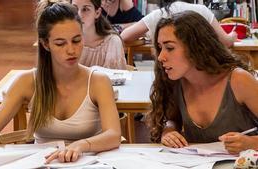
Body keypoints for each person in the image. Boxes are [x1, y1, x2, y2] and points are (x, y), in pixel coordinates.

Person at [0, 1, 121, 163]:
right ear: (45, 44)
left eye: (77, 40)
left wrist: (81, 145)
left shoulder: (98, 81)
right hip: (43, 163)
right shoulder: (26, 81)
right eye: (60, 43)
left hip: (89, 162)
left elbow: (113, 135)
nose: (71, 50)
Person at [148, 11, 258, 155]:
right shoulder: (176, 81)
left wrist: (252, 143)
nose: (161, 57)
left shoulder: (239, 80)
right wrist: (169, 131)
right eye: (160, 48)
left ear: (196, 47)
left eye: (170, 48)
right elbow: (172, 119)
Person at [120, 0, 237, 48]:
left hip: (167, 76)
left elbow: (125, 36)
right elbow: (225, 42)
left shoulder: (158, 14)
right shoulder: (202, 10)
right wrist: (233, 35)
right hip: (199, 71)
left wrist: (149, 39)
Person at [71, 0, 127, 70]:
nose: (79, 15)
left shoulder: (112, 42)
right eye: (74, 9)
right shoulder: (65, 40)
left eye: (85, 9)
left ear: (97, 13)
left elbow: (114, 79)